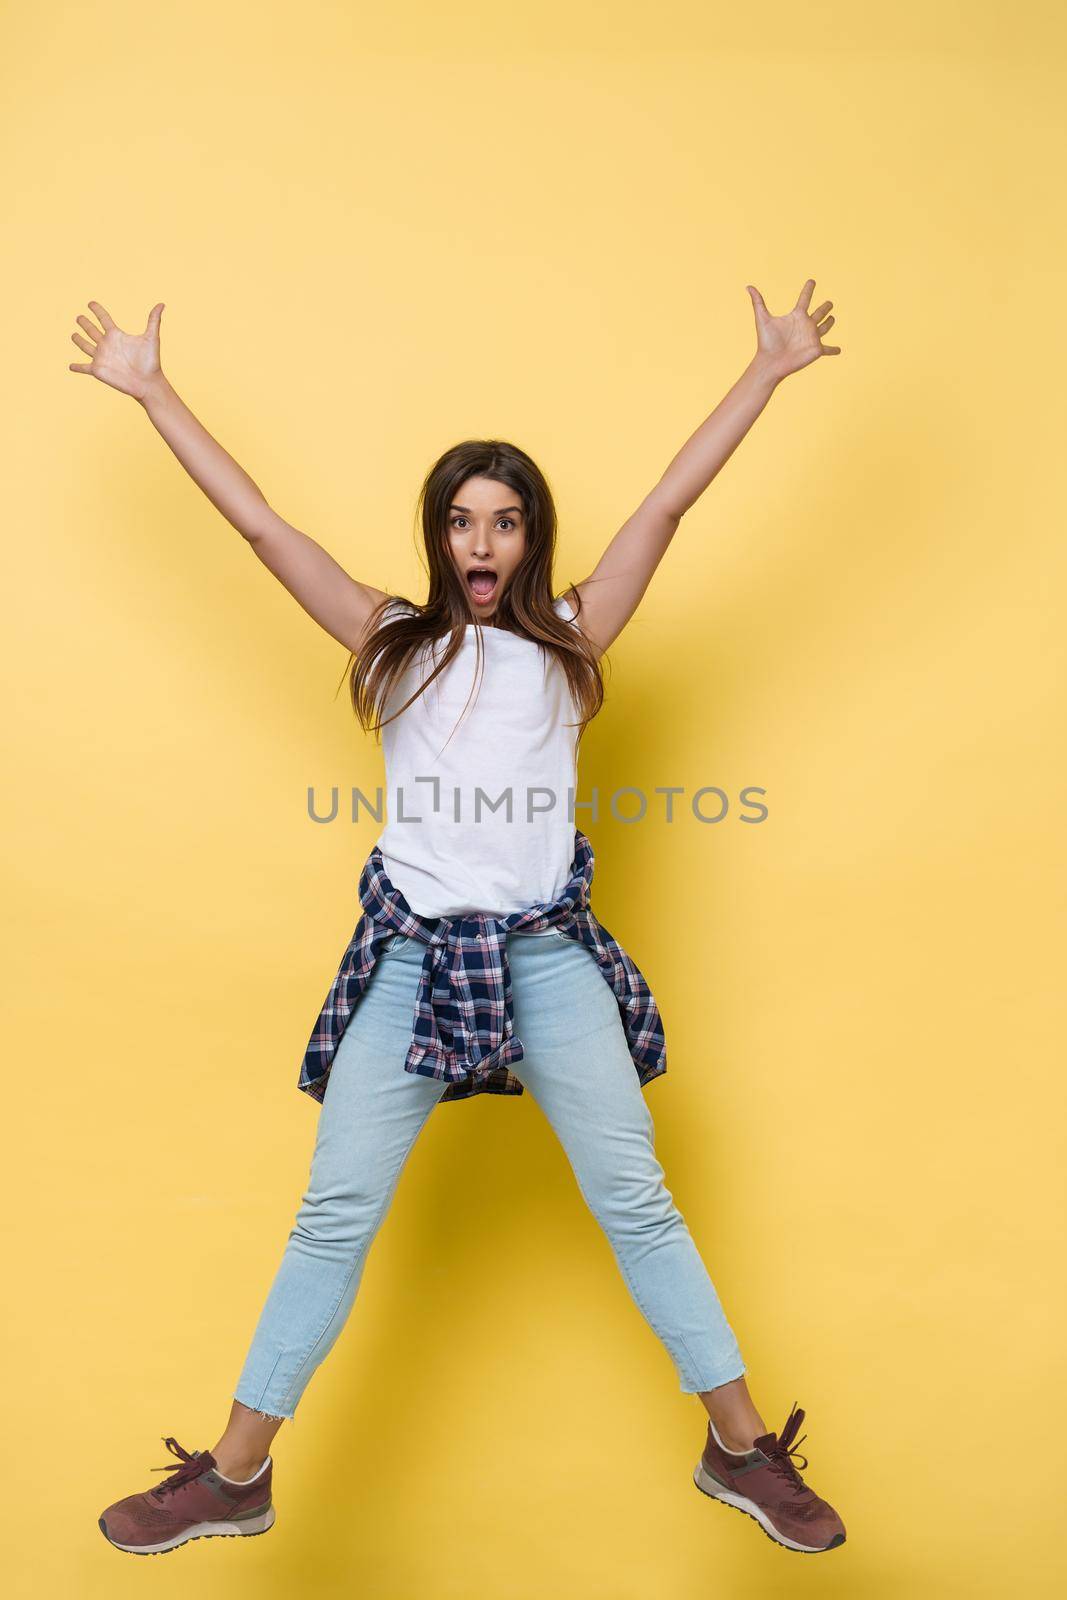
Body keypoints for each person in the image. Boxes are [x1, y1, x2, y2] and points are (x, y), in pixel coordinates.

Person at [74, 283, 847, 1558]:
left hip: (544, 959)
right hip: (414, 963)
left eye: (504, 521)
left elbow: (665, 503)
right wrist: (153, 391)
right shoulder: (392, 642)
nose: (480, 540)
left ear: (531, 539)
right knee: (334, 1215)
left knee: (637, 1200)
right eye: (460, 520)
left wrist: (763, 373)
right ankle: (233, 1475)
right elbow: (267, 531)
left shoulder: (573, 641)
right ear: (437, 539)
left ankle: (740, 1447)